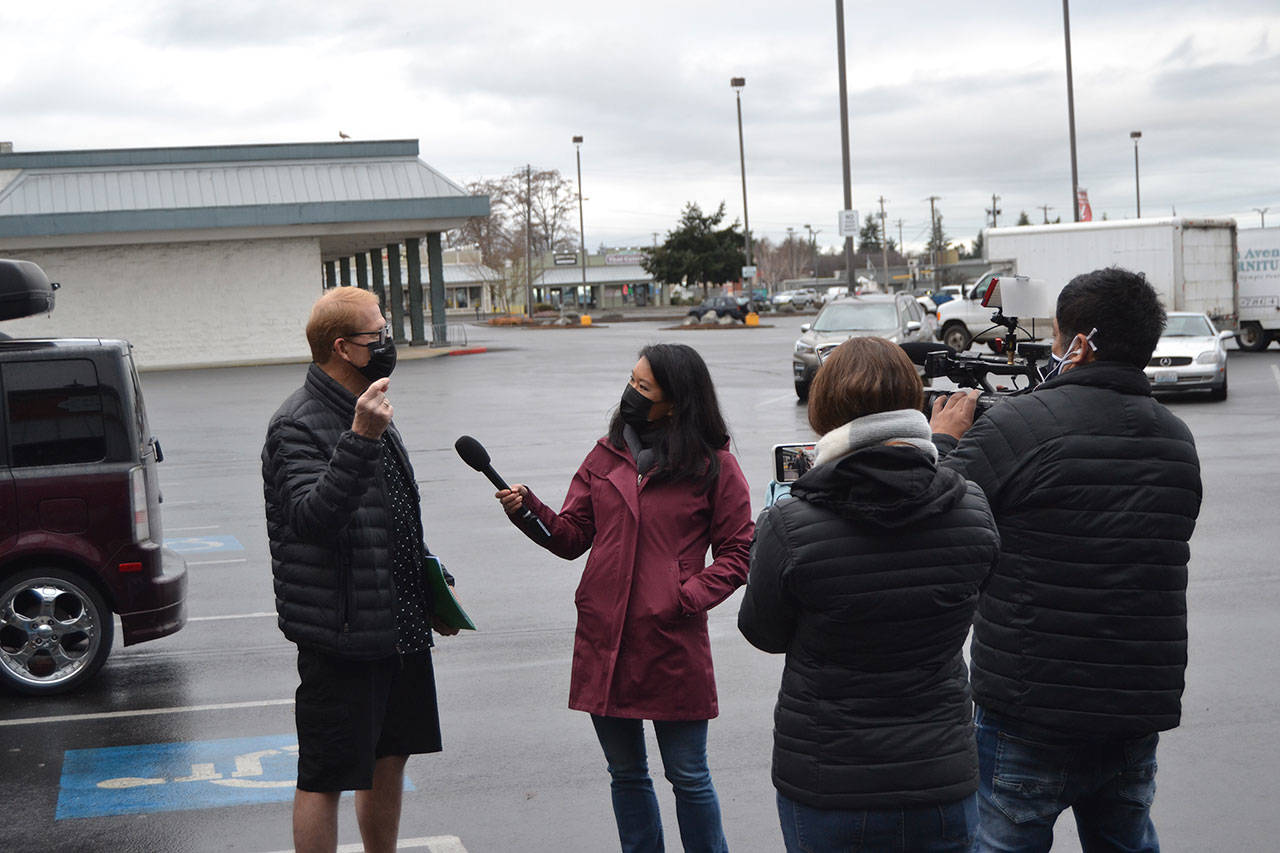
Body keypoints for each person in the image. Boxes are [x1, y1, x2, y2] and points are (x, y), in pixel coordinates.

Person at [930, 266, 1203, 852]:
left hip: (1030, 708)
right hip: (1134, 708)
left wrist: (946, 440)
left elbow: (937, 514)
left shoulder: (1021, 425)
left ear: (1078, 343)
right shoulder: (1177, 439)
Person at [737, 336, 1000, 853]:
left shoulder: (791, 523)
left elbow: (763, 633)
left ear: (825, 409)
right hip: (940, 776)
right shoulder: (971, 508)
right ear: (912, 400)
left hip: (829, 780)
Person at [494, 343, 753, 853]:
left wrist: (684, 596)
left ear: (675, 401)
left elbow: (738, 553)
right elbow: (571, 537)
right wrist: (528, 510)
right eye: (631, 380)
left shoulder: (714, 466)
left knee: (688, 775)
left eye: (643, 386)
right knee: (626, 773)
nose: (630, 392)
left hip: (671, 642)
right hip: (605, 640)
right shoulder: (605, 454)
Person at [262, 287, 459, 853]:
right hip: (342, 632)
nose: (389, 341)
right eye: (379, 333)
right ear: (343, 347)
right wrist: (360, 439)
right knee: (325, 776)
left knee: (389, 758)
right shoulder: (297, 423)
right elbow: (312, 520)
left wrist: (429, 586)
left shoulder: (368, 409)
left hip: (396, 623)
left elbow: (389, 513)